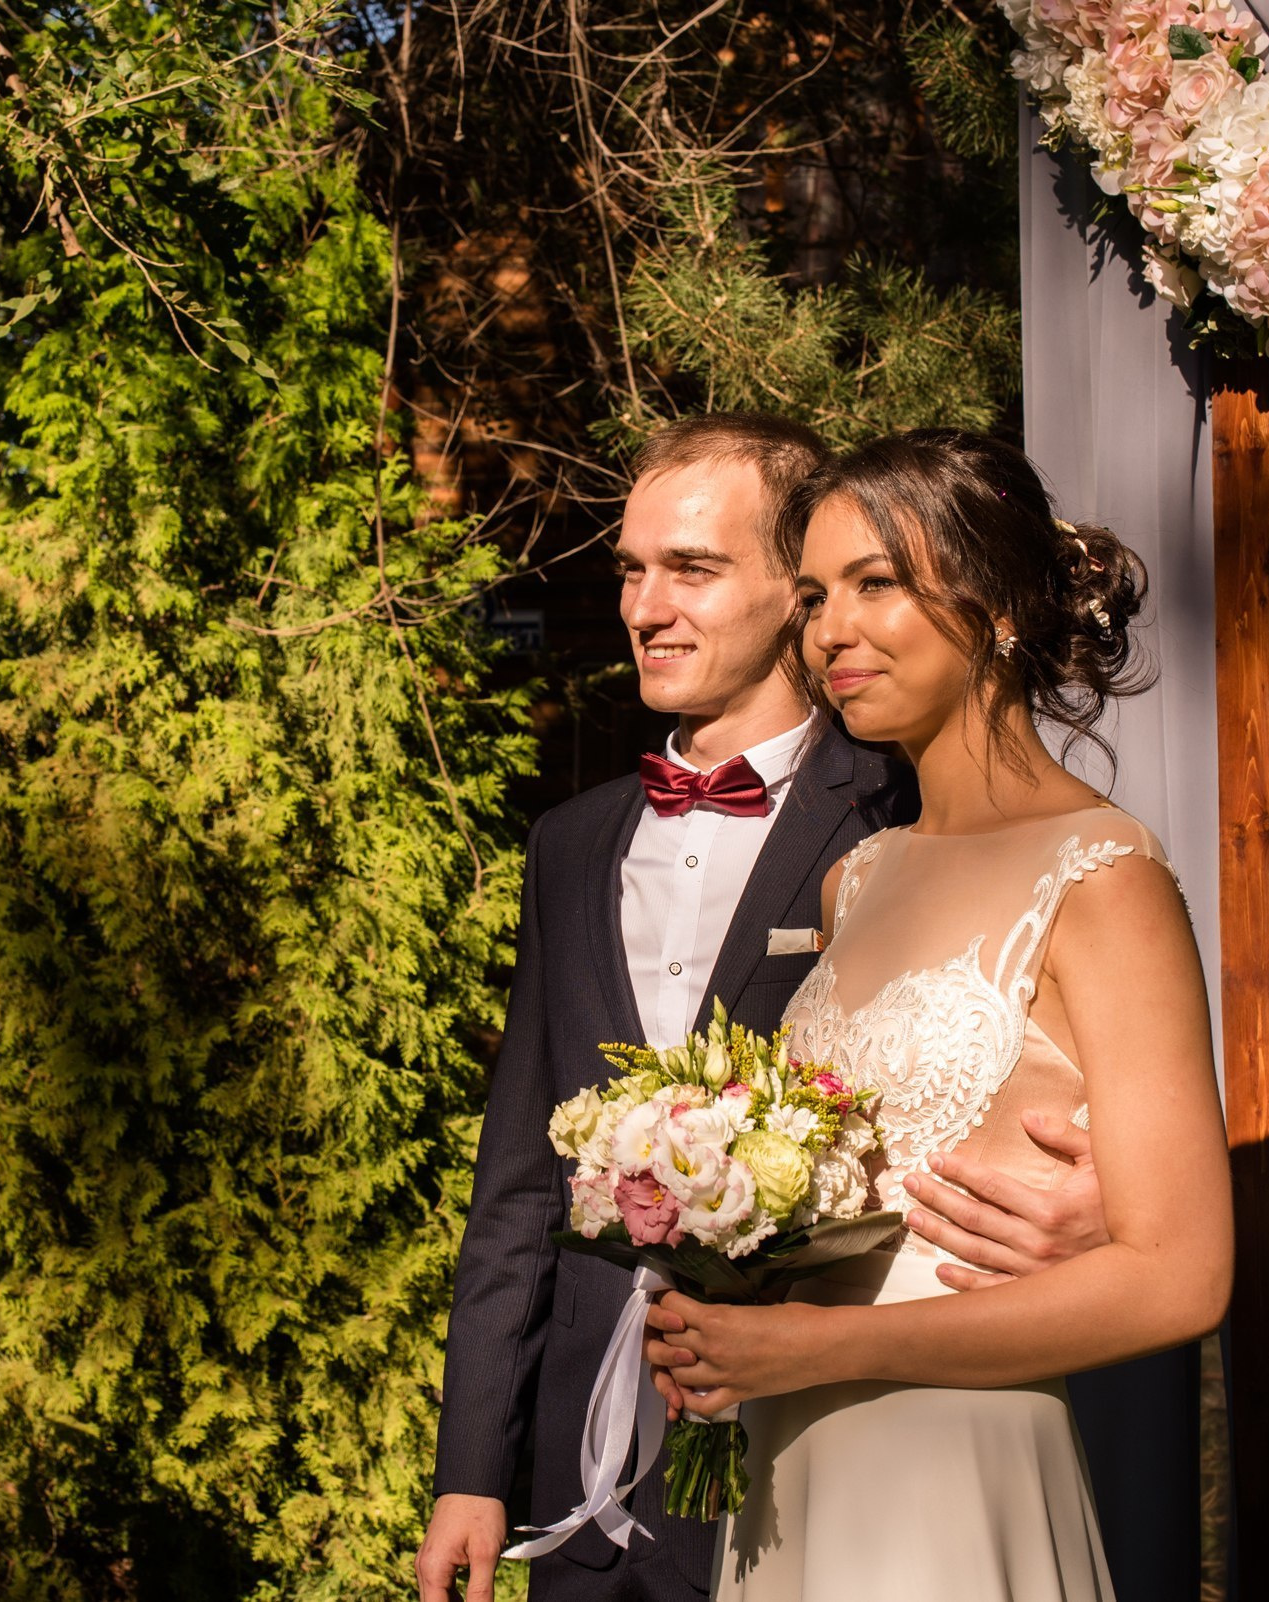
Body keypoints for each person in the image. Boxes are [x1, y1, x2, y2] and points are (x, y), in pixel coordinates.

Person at [417, 415, 1117, 1602]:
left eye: (690, 569)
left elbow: (1057, 1047)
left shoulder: (912, 819)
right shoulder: (570, 846)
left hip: (812, 1453)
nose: (644, 607)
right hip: (580, 1496)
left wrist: (1108, 1203)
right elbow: (519, 1190)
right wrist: (471, 1469)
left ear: (795, 598)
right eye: (630, 571)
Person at [640, 429, 1234, 1600]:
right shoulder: (858, 877)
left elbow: (1183, 1278)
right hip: (792, 1462)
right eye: (814, 595)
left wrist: (821, 1345)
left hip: (953, 1470)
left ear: (999, 605)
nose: (830, 632)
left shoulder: (1102, 875)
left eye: (877, 584)